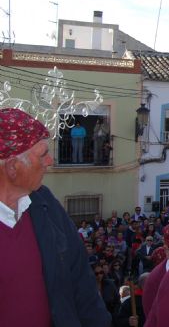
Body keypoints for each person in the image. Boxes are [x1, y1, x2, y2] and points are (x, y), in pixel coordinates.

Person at [0, 108, 111, 326]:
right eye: (42, 154)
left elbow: (81, 280)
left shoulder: (45, 203)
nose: (50, 161)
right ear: (13, 167)